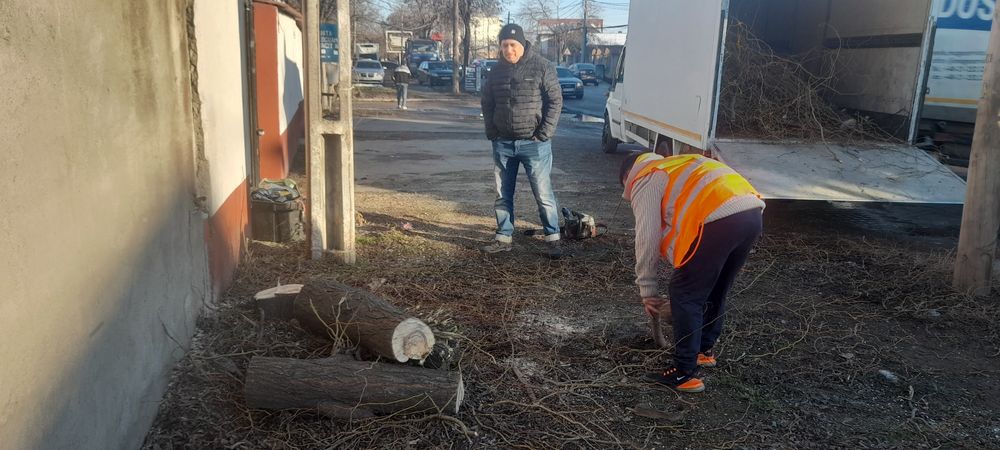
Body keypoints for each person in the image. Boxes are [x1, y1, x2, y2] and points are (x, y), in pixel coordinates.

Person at [620, 152, 765, 393]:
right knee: (716, 287)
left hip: (718, 218)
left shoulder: (645, 177)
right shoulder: (678, 165)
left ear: (627, 176)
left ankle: (684, 373)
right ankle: (703, 351)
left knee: (684, 292)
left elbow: (646, 236)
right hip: (751, 213)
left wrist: (647, 289)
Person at [480, 23, 564, 258]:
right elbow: (487, 102)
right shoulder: (495, 71)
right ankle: (504, 236)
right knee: (502, 193)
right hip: (503, 144)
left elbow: (555, 102)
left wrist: (544, 134)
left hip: (534, 144)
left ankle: (553, 239)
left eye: (513, 45)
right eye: (505, 45)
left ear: (522, 44)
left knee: (543, 193)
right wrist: (492, 132)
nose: (509, 50)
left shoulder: (542, 67)